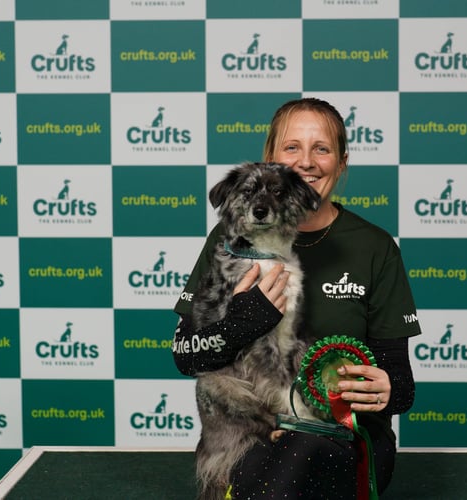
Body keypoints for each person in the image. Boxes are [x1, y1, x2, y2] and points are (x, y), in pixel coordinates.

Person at [172, 97, 421, 499]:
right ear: (271, 159)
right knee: (262, 465)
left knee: (295, 456)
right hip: (249, 433)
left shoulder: (374, 247)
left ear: (341, 163)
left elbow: (402, 384)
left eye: (321, 149)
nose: (306, 162)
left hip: (340, 440)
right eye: (292, 148)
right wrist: (240, 324)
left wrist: (386, 388)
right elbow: (185, 355)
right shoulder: (230, 244)